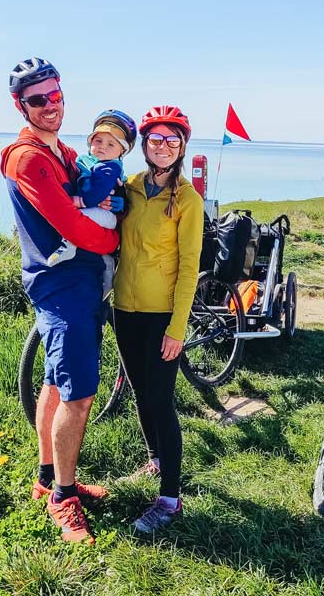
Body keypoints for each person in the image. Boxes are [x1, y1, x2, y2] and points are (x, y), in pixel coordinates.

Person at [0, 57, 121, 544]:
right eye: (37, 100)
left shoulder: (63, 153)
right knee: (79, 393)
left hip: (79, 281)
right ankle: (63, 498)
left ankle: (48, 477)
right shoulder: (28, 158)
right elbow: (72, 227)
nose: (51, 106)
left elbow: (92, 199)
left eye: (56, 95)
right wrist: (115, 243)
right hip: (63, 285)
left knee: (54, 379)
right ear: (19, 105)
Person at [112, 105, 203, 533]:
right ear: (144, 145)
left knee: (161, 401)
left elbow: (189, 269)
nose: (163, 146)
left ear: (182, 146)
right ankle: (155, 461)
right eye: (155, 139)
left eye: (172, 139)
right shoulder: (129, 186)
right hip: (124, 311)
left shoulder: (188, 200)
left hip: (162, 315)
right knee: (140, 392)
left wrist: (177, 329)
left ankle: (170, 499)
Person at [46, 110, 137, 298]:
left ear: (121, 151)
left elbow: (97, 193)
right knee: (103, 258)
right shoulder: (88, 162)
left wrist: (80, 201)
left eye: (111, 144)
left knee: (77, 218)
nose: (103, 147)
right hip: (101, 213)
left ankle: (68, 246)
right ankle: (108, 274)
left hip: (103, 213)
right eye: (98, 141)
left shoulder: (108, 167)